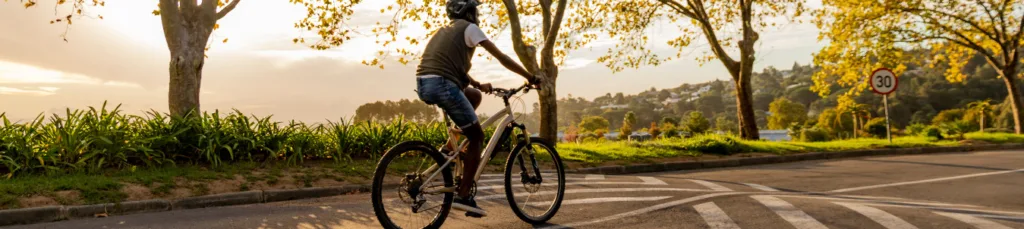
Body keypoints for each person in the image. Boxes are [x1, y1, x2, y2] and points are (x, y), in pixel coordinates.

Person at [414, 0, 537, 218]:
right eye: (475, 9)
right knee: (478, 137)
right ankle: (463, 196)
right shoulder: (470, 28)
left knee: (474, 95)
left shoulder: (446, 31)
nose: (477, 13)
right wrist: (529, 76)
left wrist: (478, 84)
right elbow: (502, 58)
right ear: (468, 10)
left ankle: (450, 147)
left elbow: (453, 67)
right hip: (442, 83)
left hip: (425, 82)